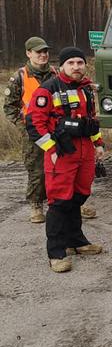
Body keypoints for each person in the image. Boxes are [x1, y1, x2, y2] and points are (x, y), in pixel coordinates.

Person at [25, 47, 105, 273]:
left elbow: (91, 120)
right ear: (61, 66)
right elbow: (34, 124)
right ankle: (56, 252)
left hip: (85, 152)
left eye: (80, 62)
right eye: (71, 63)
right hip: (61, 153)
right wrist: (50, 147)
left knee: (80, 195)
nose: (77, 67)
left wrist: (98, 144)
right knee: (60, 202)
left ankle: (76, 242)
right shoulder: (47, 90)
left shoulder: (86, 89)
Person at [3, 37, 97, 223]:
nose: (43, 55)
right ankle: (36, 204)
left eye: (45, 51)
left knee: (67, 168)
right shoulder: (20, 77)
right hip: (33, 131)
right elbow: (9, 107)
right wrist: (23, 127)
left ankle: (75, 203)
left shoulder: (58, 73)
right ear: (29, 53)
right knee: (37, 169)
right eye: (38, 52)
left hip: (59, 130)